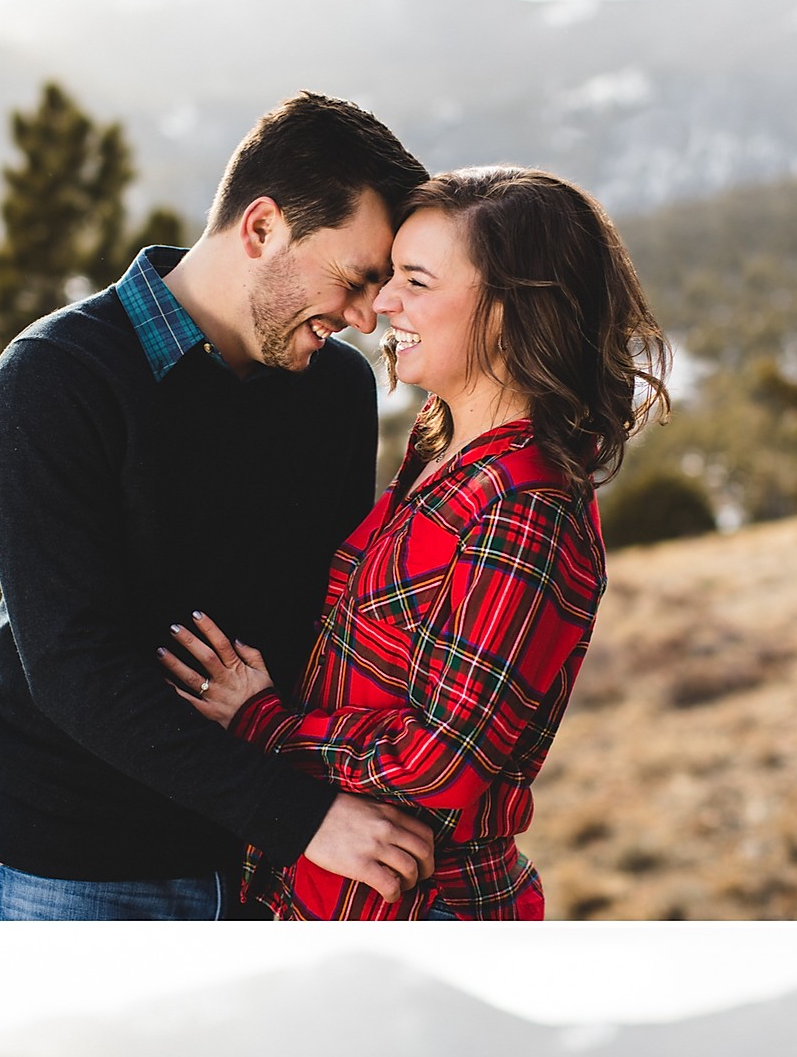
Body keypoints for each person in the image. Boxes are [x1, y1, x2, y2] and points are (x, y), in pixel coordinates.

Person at [0, 93, 437, 922]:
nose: (367, 317)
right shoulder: (56, 378)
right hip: (71, 871)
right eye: (355, 279)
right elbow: (76, 673)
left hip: (261, 866)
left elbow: (323, 625)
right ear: (261, 229)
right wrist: (304, 817)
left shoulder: (337, 394)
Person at [160, 167, 669, 919]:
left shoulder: (524, 506)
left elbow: (440, 764)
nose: (382, 303)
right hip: (333, 887)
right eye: (390, 274)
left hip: (421, 903)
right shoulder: (443, 447)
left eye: (416, 281)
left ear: (508, 311)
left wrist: (262, 721)